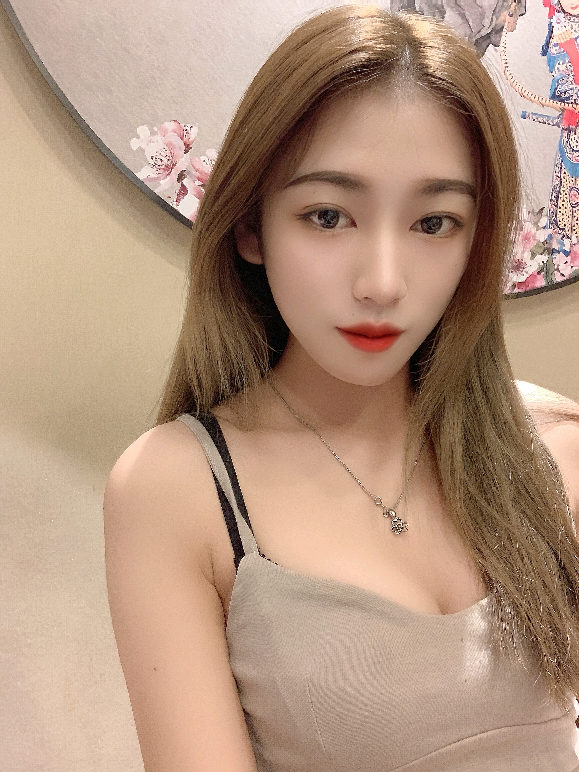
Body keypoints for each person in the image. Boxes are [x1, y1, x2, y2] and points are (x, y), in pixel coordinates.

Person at [104, 6, 579, 771]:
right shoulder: (176, 488)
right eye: (327, 216)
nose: (382, 283)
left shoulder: (552, 448)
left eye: (434, 223)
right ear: (250, 226)